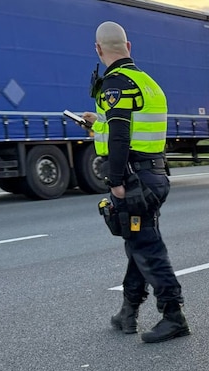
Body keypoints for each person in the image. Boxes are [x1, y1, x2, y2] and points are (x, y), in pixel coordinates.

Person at [81, 21, 189, 343]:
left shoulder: (115, 84)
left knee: (147, 246)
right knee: (137, 242)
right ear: (129, 47)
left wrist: (115, 181)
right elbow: (127, 125)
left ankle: (174, 316)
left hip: (134, 178)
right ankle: (128, 312)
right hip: (154, 173)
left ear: (99, 50)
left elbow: (120, 135)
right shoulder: (146, 82)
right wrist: (96, 122)